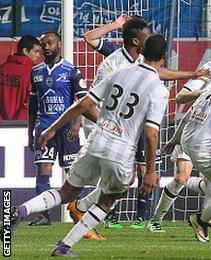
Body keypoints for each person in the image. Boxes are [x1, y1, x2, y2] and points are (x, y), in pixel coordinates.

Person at [10, 34, 168, 256]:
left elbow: (83, 104)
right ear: (164, 55)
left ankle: (22, 210)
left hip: (96, 141)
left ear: (142, 51)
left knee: (65, 192)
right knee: (109, 198)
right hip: (121, 150)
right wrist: (151, 171)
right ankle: (64, 246)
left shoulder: (120, 72)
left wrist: (52, 128)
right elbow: (151, 133)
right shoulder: (159, 89)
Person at [68, 15, 211, 232]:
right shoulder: (114, 61)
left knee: (129, 175)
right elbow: (88, 101)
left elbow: (158, 72)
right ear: (136, 41)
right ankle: (85, 212)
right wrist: (116, 25)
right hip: (109, 123)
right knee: (116, 176)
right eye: (147, 35)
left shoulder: (140, 62)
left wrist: (192, 73)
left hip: (128, 123)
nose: (150, 38)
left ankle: (87, 210)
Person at [146, 35, 211, 233]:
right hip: (194, 127)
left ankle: (207, 210)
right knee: (181, 178)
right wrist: (208, 92)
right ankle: (156, 219)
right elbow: (180, 98)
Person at [26, 31, 88, 226]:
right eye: (43, 44)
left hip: (67, 128)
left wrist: (78, 123)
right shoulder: (35, 72)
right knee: (43, 168)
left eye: (50, 43)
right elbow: (33, 106)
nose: (46, 47)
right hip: (44, 128)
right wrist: (30, 133)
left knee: (73, 173)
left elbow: (84, 101)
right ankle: (44, 215)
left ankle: (76, 212)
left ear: (59, 45)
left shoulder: (71, 70)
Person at [0, 35, 41, 121]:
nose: (39, 55)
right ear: (25, 51)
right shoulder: (33, 72)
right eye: (36, 51)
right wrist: (19, 121)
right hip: (22, 124)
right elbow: (31, 101)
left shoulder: (2, 69)